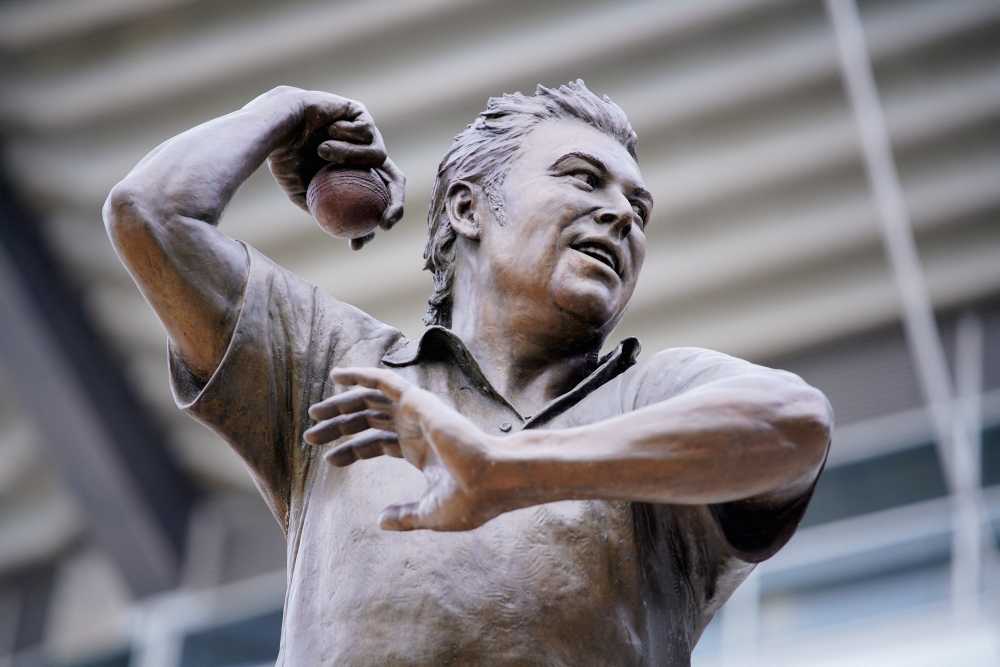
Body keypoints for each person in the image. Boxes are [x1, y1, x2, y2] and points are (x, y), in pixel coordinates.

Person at [105, 80, 831, 666]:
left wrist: (506, 469)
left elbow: (794, 423)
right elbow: (150, 213)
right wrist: (284, 110)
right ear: (467, 207)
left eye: (639, 209)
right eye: (584, 179)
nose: (621, 216)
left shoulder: (649, 396)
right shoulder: (334, 361)